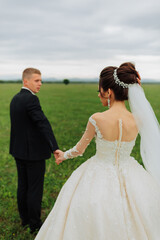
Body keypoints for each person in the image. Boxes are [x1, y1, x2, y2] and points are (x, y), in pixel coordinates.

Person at [35, 63, 160, 240]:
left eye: (99, 90)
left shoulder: (97, 118)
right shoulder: (137, 119)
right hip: (131, 172)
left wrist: (63, 155)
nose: (99, 94)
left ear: (108, 92)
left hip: (99, 171)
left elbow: (79, 149)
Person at [9, 68, 59, 233]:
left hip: (18, 150)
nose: (40, 84)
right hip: (33, 154)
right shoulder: (31, 100)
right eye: (37, 81)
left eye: (40, 80)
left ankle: (25, 219)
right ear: (26, 81)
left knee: (23, 186)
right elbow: (42, 124)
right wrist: (55, 147)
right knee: (34, 189)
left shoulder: (15, 99)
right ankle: (35, 224)